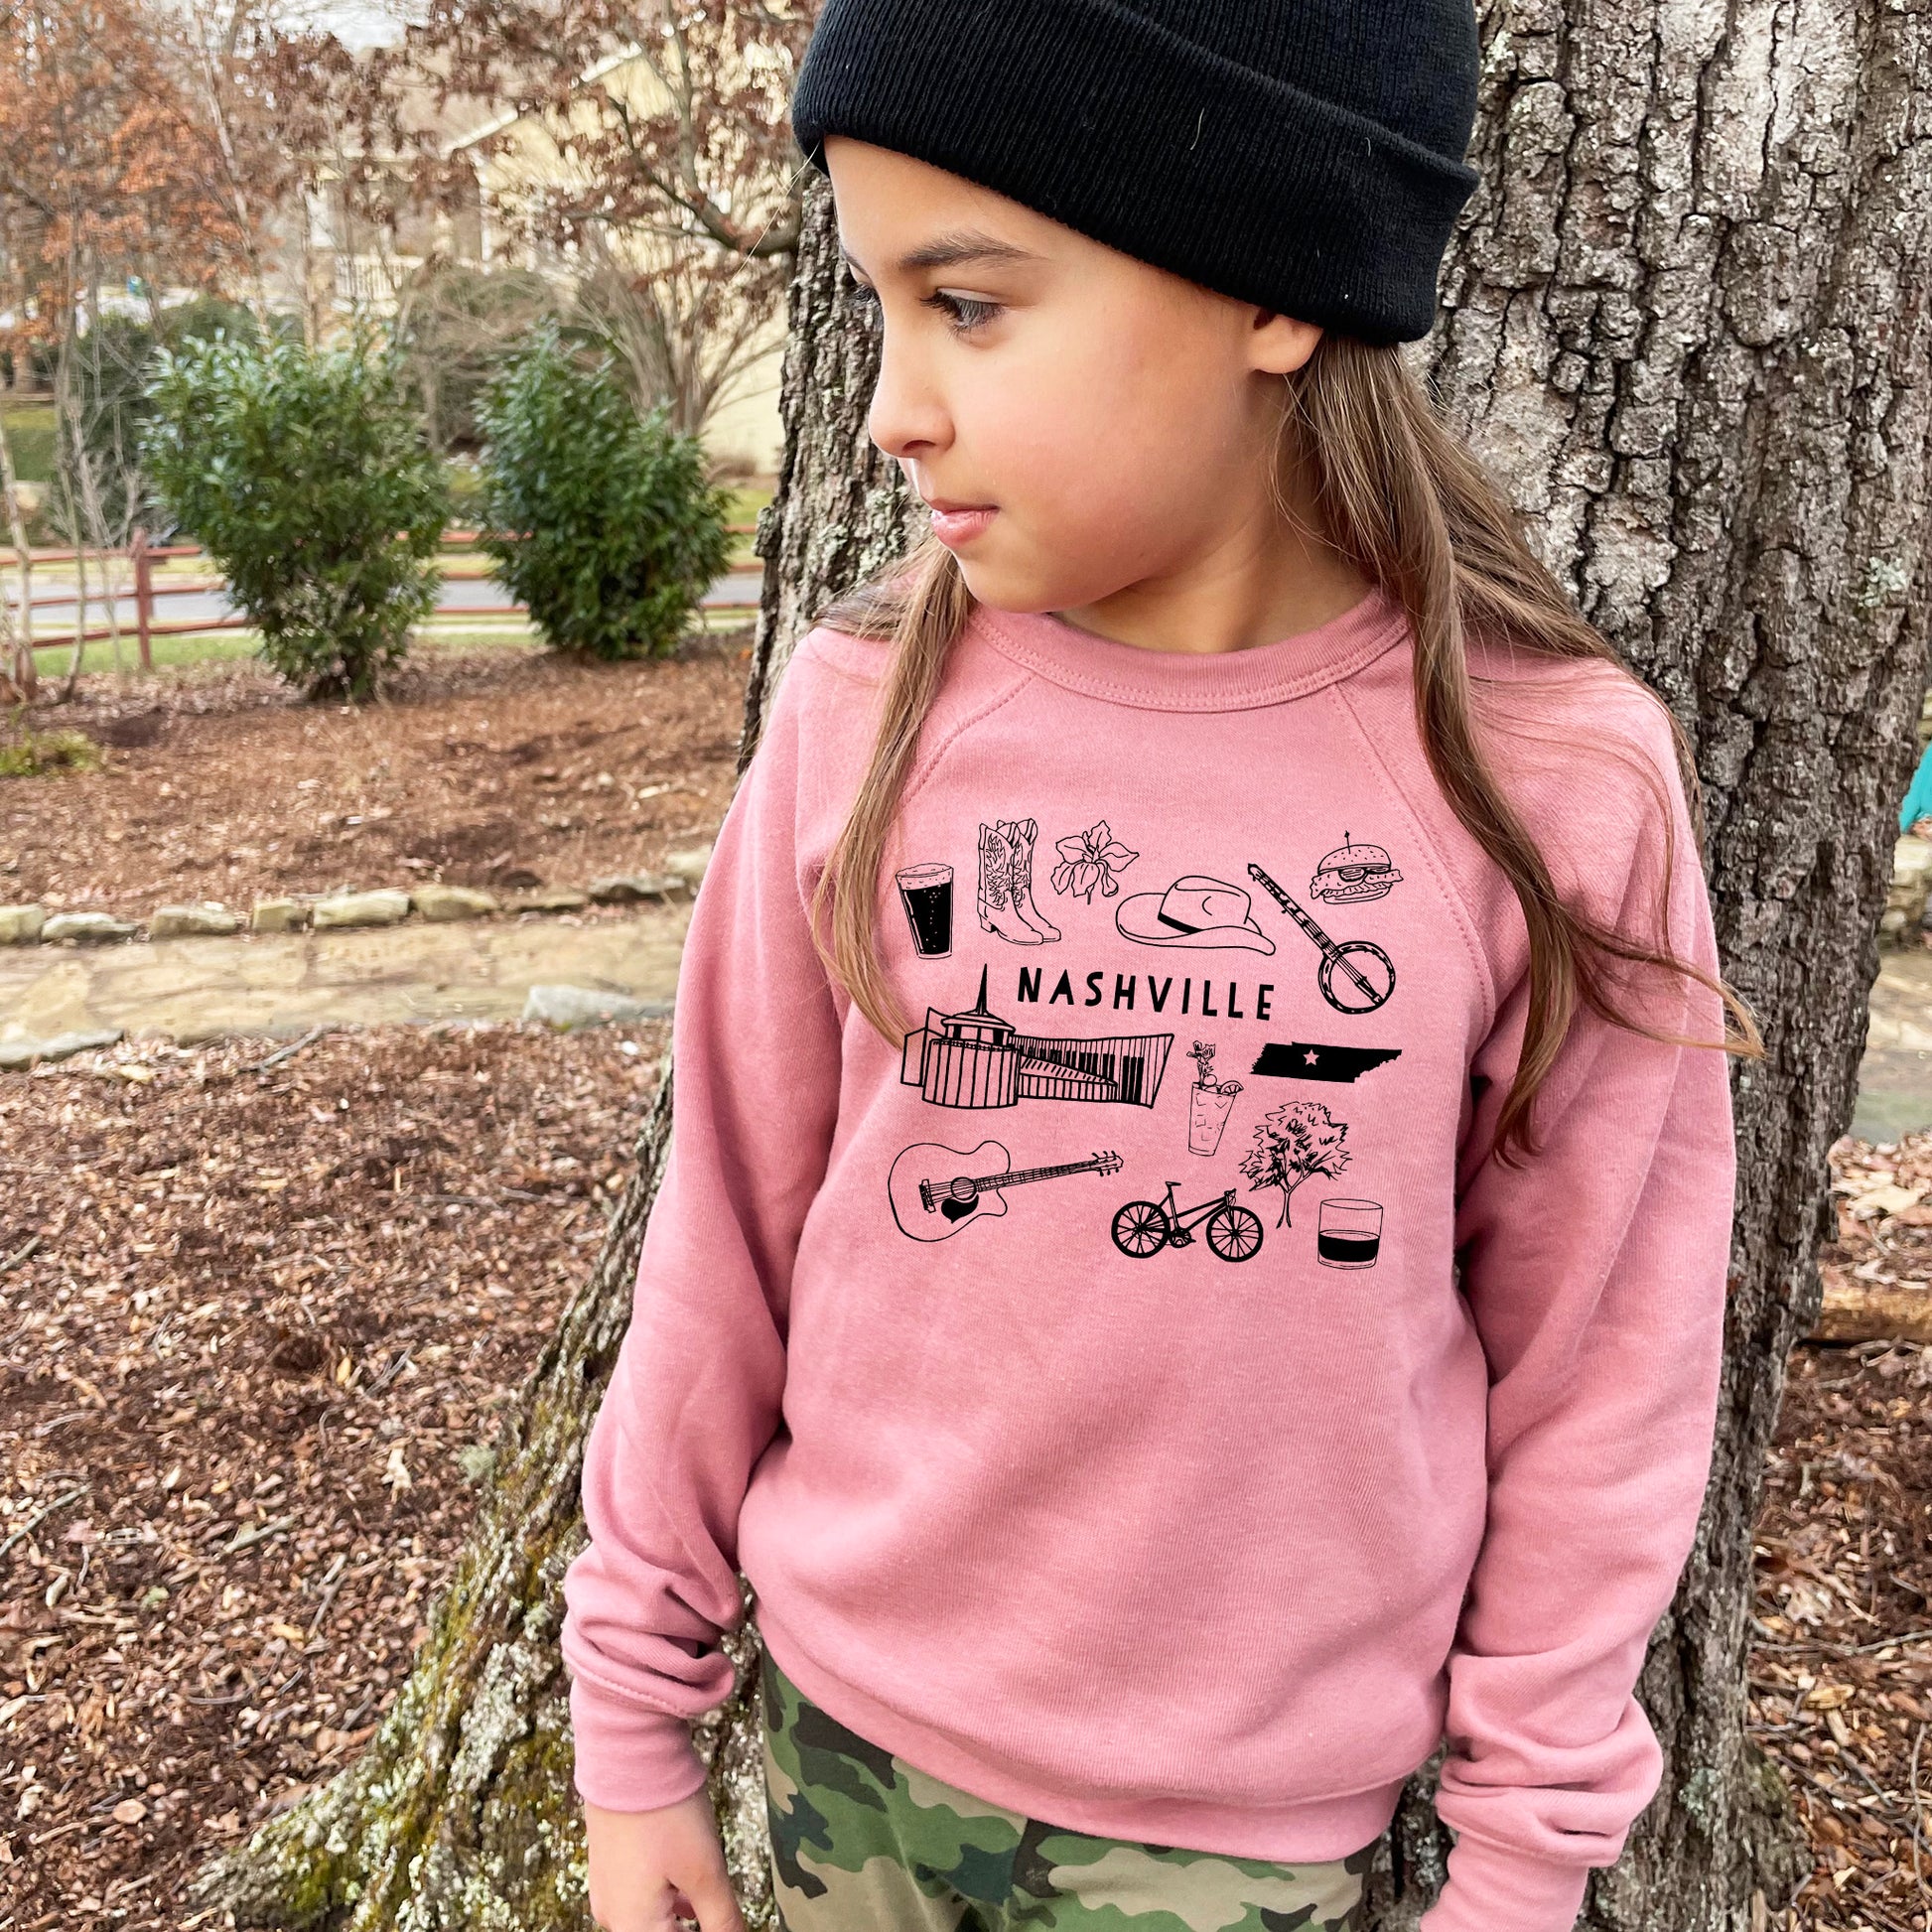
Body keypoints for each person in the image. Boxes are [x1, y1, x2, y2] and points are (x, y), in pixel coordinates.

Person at [560, 4, 1763, 1929]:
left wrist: (1526, 1861)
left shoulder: (1547, 784)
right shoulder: (860, 716)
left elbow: (1603, 1377)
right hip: (832, 1760)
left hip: (1236, 1847)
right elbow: (721, 1244)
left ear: (1271, 290)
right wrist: (632, 1723)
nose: (889, 406)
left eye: (968, 302)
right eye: (878, 304)